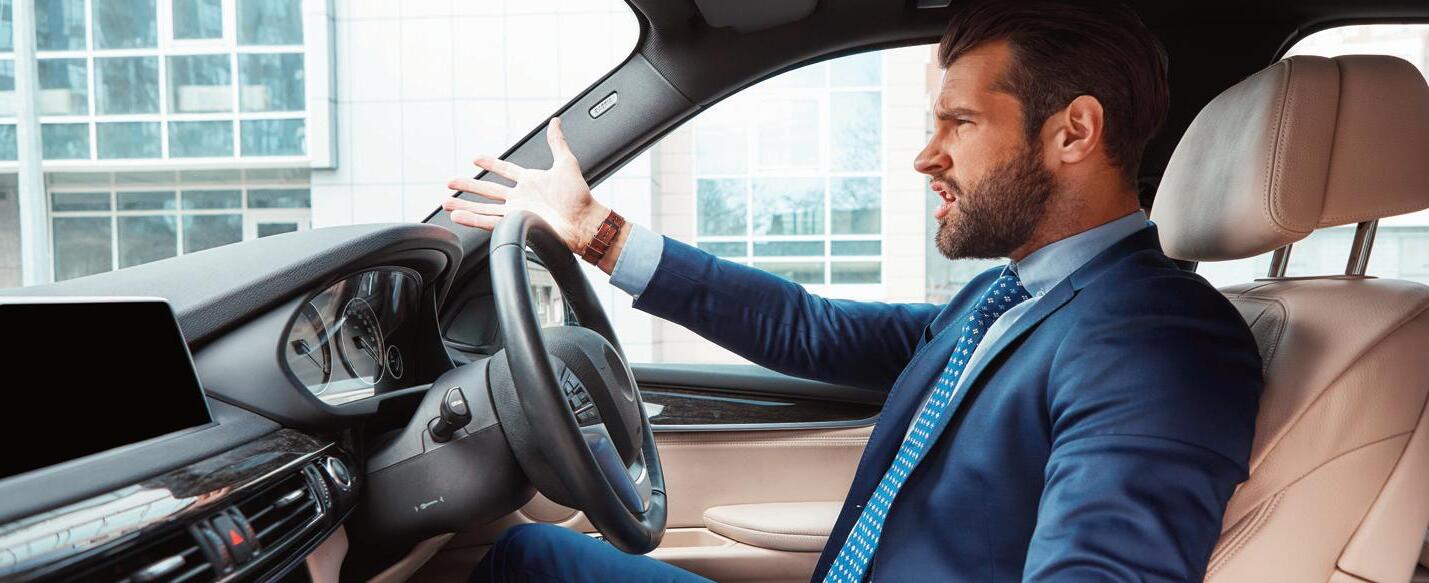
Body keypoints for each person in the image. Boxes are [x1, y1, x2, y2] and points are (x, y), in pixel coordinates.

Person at [445, 1, 1263, 580]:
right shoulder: (1013, 297)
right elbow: (814, 330)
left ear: (1072, 132)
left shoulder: (1157, 337)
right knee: (531, 554)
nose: (925, 155)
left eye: (959, 122)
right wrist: (597, 231)